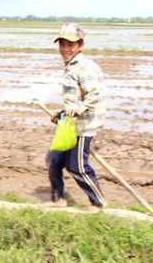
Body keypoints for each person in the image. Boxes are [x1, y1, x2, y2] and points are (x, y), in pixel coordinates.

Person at [44, 23, 107, 212]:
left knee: (77, 167)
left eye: (70, 45)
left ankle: (98, 203)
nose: (65, 49)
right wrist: (62, 114)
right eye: (62, 44)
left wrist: (79, 109)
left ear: (81, 45)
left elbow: (94, 95)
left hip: (83, 125)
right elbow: (74, 98)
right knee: (53, 160)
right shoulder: (71, 66)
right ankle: (59, 199)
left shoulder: (84, 67)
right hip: (70, 123)